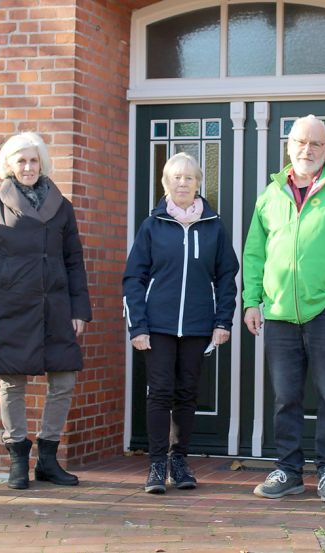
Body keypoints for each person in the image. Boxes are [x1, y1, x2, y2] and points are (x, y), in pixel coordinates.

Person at [242, 115, 325, 503]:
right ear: (289, 146)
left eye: (316, 144)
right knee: (286, 398)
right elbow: (254, 254)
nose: (308, 150)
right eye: (301, 142)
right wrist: (253, 300)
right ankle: (288, 470)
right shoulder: (270, 196)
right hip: (281, 314)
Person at [0, 131, 92, 490]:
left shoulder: (61, 205)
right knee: (12, 382)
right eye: (21, 160)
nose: (28, 167)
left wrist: (79, 309)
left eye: (34, 160)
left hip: (56, 307)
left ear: (42, 163)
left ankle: (48, 460)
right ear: (9, 165)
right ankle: (18, 459)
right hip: (8, 308)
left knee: (64, 380)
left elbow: (74, 260)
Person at [123, 152, 239, 494]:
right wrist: (137, 326)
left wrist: (223, 322)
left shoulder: (213, 225)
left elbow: (226, 277)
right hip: (157, 326)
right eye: (176, 177)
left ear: (199, 183)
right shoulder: (152, 225)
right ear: (165, 183)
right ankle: (157, 465)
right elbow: (134, 279)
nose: (183, 183)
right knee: (159, 393)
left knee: (187, 393)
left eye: (189, 178)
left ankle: (179, 461)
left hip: (198, 325)